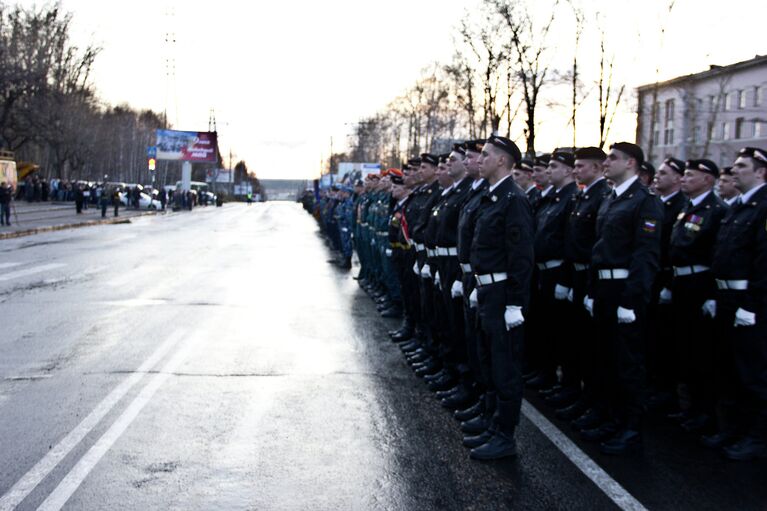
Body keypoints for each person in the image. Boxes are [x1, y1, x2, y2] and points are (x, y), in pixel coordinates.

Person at [581, 142, 662, 455]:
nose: (606, 162)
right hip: (603, 289)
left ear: (631, 163)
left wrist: (631, 300)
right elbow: (599, 249)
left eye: (612, 158)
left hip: (625, 291)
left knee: (628, 363)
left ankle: (631, 428)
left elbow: (646, 255)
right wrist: (591, 290)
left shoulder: (644, 201)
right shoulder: (612, 199)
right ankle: (611, 417)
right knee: (605, 359)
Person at [464, 135, 534, 461]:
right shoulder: (492, 197)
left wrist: (515, 303)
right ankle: (494, 424)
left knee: (506, 368)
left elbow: (521, 257)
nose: (480, 160)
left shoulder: (513, 200)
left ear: (502, 161)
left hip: (503, 294)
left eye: (486, 155)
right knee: (490, 361)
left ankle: (505, 436)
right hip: (488, 290)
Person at [710, 146, 767, 460]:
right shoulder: (738, 207)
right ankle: (733, 430)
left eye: (741, 166)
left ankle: (757, 437)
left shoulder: (763, 207)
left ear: (761, 172)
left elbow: (763, 262)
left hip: (750, 302)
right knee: (729, 368)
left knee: (753, 373)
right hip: (727, 297)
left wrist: (751, 304)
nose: (733, 171)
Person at [668, 159, 727, 439]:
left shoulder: (716, 211)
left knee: (702, 354)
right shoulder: (688, 207)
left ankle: (706, 414)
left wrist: (712, 294)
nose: (684, 179)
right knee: (684, 350)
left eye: (690, 175)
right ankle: (691, 409)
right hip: (682, 282)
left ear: (708, 180)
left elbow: (719, 255)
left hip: (700, 285)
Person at [558, 146, 611, 427]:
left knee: (591, 347)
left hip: (592, 278)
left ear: (596, 168)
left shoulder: (602, 196)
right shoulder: (584, 195)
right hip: (576, 276)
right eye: (575, 166)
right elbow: (571, 242)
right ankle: (576, 395)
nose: (576, 170)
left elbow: (596, 248)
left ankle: (592, 401)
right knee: (574, 340)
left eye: (581, 166)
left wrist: (590, 289)